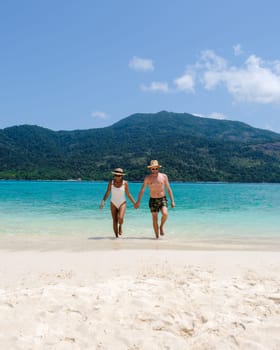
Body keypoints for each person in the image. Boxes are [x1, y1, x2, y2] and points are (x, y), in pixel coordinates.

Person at [135, 160, 175, 239]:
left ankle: (161, 226)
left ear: (158, 168)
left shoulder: (164, 176)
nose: (154, 170)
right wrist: (138, 201)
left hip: (162, 198)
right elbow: (142, 190)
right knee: (155, 219)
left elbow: (168, 188)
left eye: (156, 168)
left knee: (165, 214)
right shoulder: (148, 178)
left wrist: (172, 201)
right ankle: (157, 237)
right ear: (150, 169)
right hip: (153, 200)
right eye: (153, 169)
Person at [100, 168, 136, 238]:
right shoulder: (111, 183)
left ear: (122, 176)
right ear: (114, 175)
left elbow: (128, 194)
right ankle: (116, 237)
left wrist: (134, 203)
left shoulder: (125, 183)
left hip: (122, 202)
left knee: (120, 218)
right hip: (113, 202)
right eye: (116, 175)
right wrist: (103, 201)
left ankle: (121, 226)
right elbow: (107, 192)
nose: (118, 177)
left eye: (119, 175)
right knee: (114, 221)